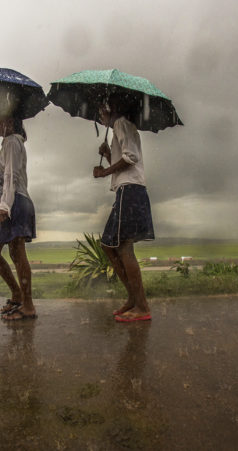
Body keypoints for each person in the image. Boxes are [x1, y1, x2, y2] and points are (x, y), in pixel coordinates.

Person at [93, 94, 154, 322]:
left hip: (130, 191)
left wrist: (104, 172)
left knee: (123, 248)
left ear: (111, 107)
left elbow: (131, 157)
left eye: (101, 109)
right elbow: (124, 161)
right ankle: (133, 299)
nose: (100, 114)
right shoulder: (122, 126)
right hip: (126, 190)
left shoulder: (120, 123)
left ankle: (142, 306)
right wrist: (109, 155)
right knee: (110, 246)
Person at [0, 116, 37, 321]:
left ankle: (28, 305)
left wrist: (5, 205)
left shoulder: (12, 142)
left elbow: (12, 176)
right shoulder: (10, 143)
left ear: (11, 122)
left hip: (16, 202)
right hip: (14, 201)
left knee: (16, 252)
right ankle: (18, 295)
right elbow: (5, 172)